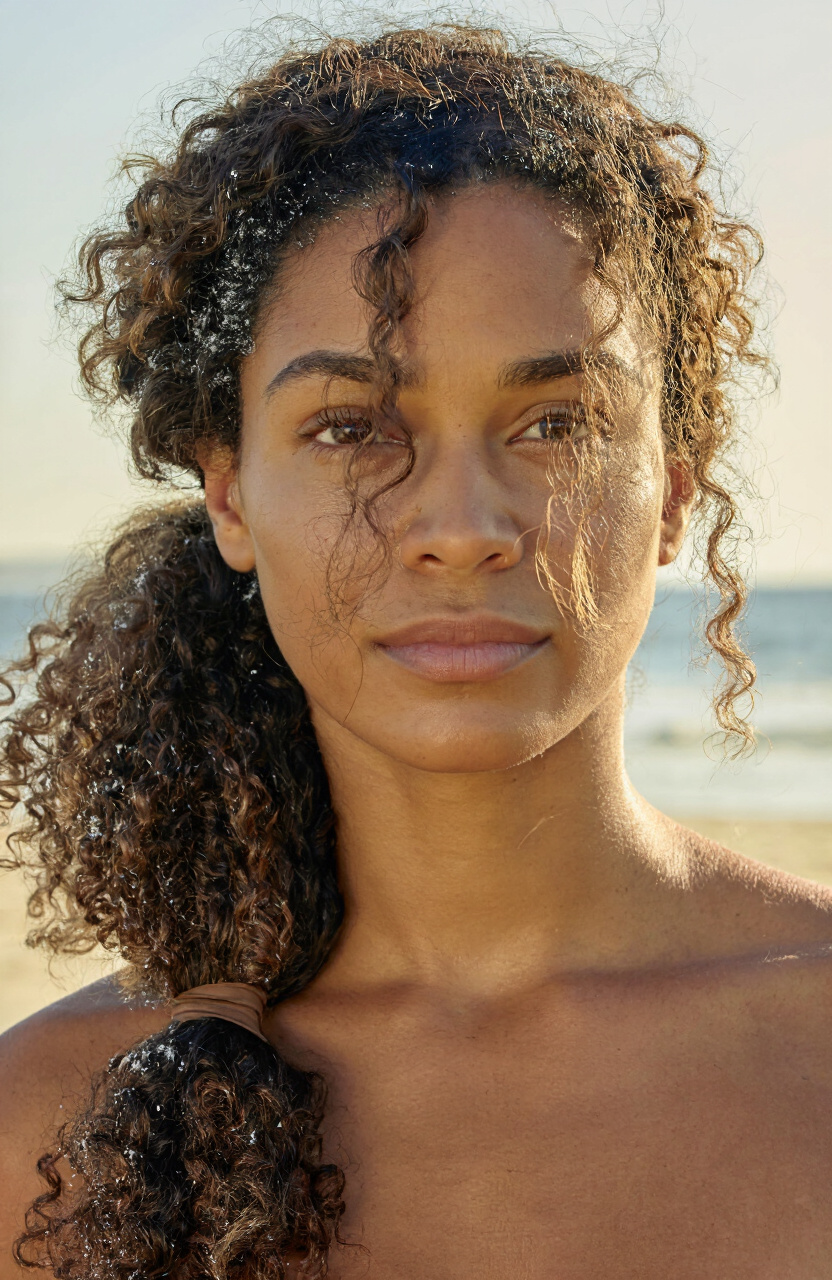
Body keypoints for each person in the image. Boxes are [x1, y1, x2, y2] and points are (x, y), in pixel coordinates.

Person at [1, 23, 830, 1279]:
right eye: (348, 427)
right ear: (229, 493)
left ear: (671, 489)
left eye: (554, 419)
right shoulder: (41, 1129)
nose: (459, 529)